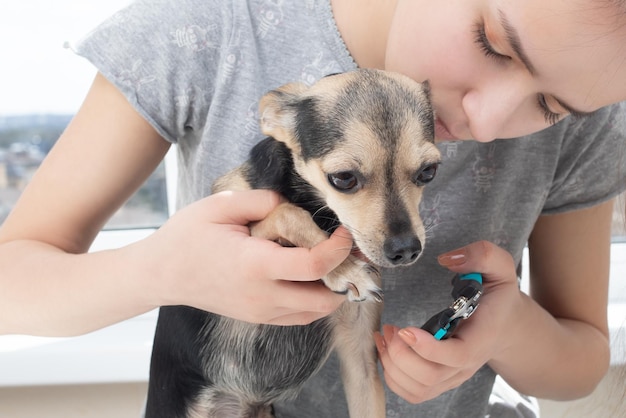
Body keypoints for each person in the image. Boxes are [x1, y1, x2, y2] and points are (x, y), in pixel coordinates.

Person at [1, 0, 626, 416]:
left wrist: (509, 324)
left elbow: (580, 362)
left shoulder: (589, 126)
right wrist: (164, 270)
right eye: (492, 42)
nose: (488, 121)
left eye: (551, 107)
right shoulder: (208, 28)